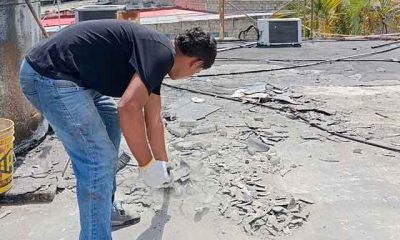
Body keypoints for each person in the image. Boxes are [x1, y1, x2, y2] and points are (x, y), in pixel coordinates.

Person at [19, 19, 217, 240]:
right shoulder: (161, 56)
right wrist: (146, 164)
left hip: (71, 78)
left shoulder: (158, 56)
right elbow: (128, 108)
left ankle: (104, 211)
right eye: (197, 72)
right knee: (98, 158)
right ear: (196, 63)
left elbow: (154, 122)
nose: (192, 76)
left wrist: (163, 166)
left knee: (110, 123)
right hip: (47, 76)